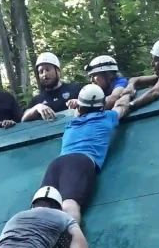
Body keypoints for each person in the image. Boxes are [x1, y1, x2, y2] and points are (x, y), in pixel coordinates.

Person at [40, 82, 130, 224]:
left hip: (57, 163)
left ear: (80, 107)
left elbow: (80, 109)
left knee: (41, 208)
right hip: (81, 161)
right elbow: (122, 106)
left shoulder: (72, 123)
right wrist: (128, 92)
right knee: (69, 204)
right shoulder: (107, 117)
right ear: (102, 106)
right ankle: (70, 241)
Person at [21, 52, 81, 122]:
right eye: (41, 72)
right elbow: (23, 119)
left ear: (57, 71)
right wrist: (37, 108)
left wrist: (79, 103)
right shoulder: (37, 100)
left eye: (47, 70)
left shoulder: (75, 89)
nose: (45, 74)